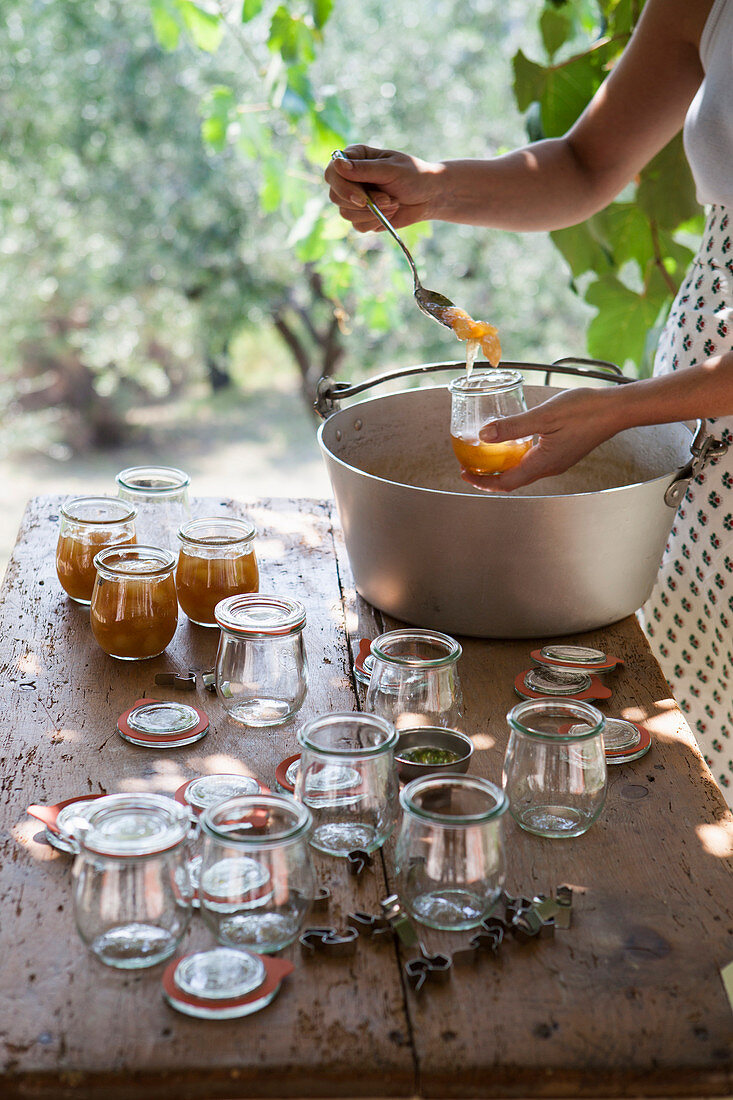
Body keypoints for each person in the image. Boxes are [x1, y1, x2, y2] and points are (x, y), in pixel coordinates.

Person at [324, 0, 733, 804]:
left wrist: (613, 410)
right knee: (705, 709)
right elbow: (582, 166)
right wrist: (426, 189)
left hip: (675, 410)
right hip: (697, 439)